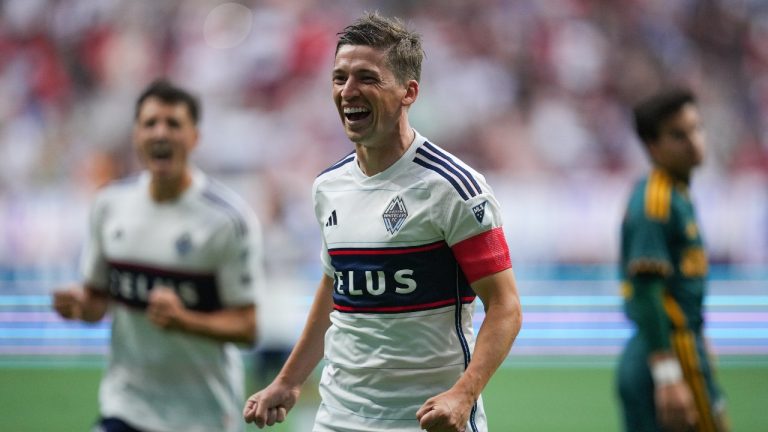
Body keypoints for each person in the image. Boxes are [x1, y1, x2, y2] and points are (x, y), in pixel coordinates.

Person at [243, 12, 522, 432]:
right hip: (340, 417)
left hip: (428, 419)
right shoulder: (328, 186)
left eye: (366, 78)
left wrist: (463, 395)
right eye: (339, 78)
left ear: (409, 92)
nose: (347, 91)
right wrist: (288, 380)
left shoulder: (453, 186)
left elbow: (505, 307)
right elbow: (335, 284)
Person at [53, 79, 262, 432]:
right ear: (136, 135)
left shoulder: (227, 221)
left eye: (173, 123)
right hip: (127, 404)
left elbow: (247, 328)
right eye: (150, 123)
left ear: (194, 137)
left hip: (203, 415)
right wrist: (79, 304)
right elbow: (97, 300)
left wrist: (185, 320)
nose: (160, 133)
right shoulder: (109, 206)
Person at [617, 88, 730, 432]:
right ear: (653, 147)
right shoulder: (657, 202)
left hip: (681, 343)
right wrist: (668, 375)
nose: (693, 141)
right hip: (670, 353)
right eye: (678, 135)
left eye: (696, 129)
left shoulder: (677, 193)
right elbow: (647, 292)